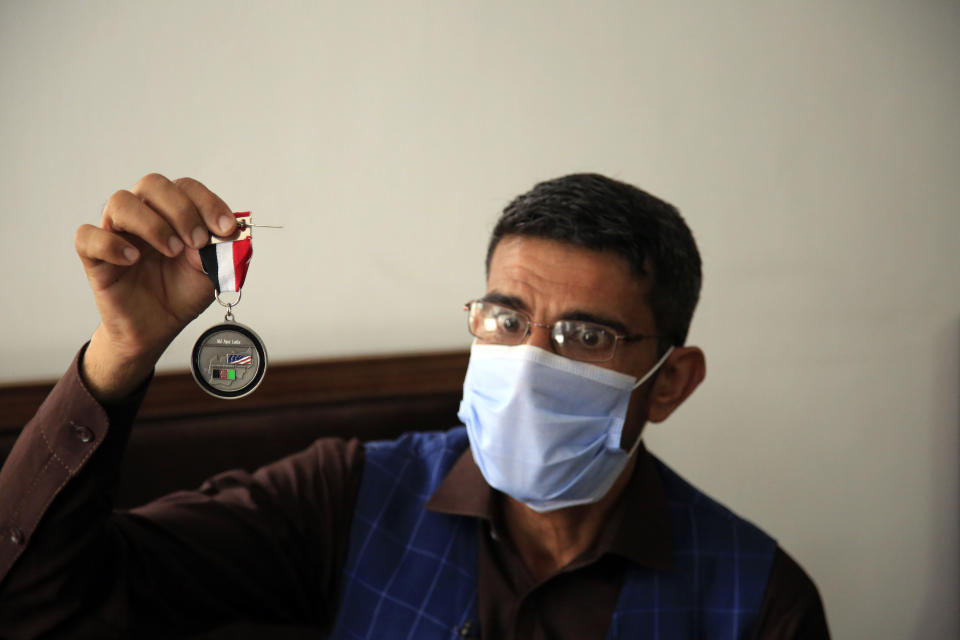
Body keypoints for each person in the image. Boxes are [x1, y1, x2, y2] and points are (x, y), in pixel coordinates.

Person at [0, 173, 829, 638]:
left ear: (672, 381)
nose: (530, 362)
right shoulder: (346, 498)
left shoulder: (760, 604)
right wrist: (121, 357)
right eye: (506, 319)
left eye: (583, 336)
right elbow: (40, 598)